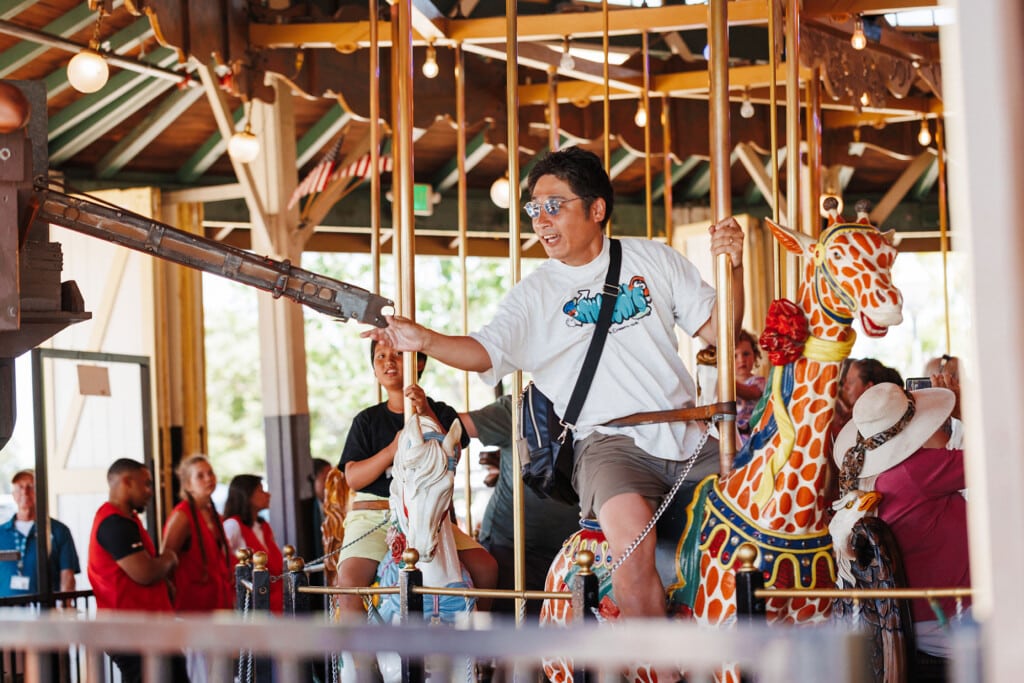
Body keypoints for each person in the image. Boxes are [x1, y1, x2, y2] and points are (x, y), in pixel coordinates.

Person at [362, 146, 745, 627]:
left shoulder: (654, 259)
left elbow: (721, 333)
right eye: (534, 209)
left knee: (763, 518)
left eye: (554, 206)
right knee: (632, 541)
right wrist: (425, 340)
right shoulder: (534, 295)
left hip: (689, 438)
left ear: (596, 208)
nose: (541, 220)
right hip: (610, 443)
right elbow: (483, 351)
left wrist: (734, 267)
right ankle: (662, 673)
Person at [334, 340, 497, 618]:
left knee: (486, 568)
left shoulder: (442, 413)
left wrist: (424, 412)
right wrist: (391, 450)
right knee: (348, 584)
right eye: (380, 356)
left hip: (428, 514)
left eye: (398, 355)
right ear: (374, 368)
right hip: (377, 515)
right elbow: (353, 478)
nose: (388, 361)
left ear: (418, 362)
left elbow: (452, 452)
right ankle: (363, 661)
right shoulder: (367, 421)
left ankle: (476, 650)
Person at [830, 382, 970, 676]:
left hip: (908, 618)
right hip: (952, 614)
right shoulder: (914, 471)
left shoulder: (865, 478)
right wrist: (964, 413)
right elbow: (998, 457)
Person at [459, 394, 581, 617]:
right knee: (511, 625)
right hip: (510, 544)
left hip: (571, 551)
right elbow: (456, 426)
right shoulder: (518, 407)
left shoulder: (597, 405)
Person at [87, 458, 188, 682]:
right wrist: (170, 558)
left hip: (146, 628)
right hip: (130, 630)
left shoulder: (127, 519)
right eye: (146, 484)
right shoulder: (114, 522)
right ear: (127, 482)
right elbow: (145, 573)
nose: (150, 492)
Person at [161, 455, 233, 613]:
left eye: (210, 473)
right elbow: (165, 559)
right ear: (188, 484)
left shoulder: (212, 513)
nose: (208, 479)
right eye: (200, 476)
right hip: (191, 605)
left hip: (217, 602)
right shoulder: (181, 516)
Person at [0, 470, 79, 599]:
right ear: (13, 494)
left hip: (44, 614)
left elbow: (67, 576)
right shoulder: (1, 532)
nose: (25, 491)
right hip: (6, 614)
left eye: (31, 486)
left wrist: (65, 608)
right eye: (20, 487)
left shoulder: (58, 530)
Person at [222, 474, 284, 613]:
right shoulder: (233, 525)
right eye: (261, 490)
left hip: (278, 603)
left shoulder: (264, 526)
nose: (268, 494)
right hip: (253, 608)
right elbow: (221, 562)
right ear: (247, 495)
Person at [734, 329, 767, 447]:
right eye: (734, 356)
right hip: (733, 434)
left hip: (753, 434)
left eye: (746, 354)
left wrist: (726, 383)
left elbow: (751, 393)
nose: (741, 360)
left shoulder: (759, 382)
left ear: (755, 355)